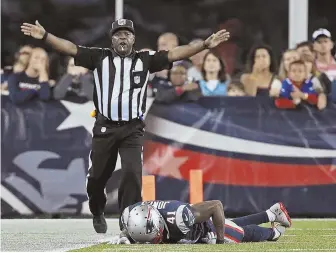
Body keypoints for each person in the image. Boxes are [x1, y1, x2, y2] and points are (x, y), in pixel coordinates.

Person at [21, 19, 230, 233]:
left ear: (134, 38)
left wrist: (204, 45)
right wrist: (46, 36)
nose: (122, 37)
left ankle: (127, 222)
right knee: (96, 178)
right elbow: (71, 48)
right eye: (118, 34)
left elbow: (176, 53)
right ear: (112, 39)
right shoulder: (99, 56)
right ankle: (97, 209)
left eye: (127, 34)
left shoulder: (145, 60)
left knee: (132, 173)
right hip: (105, 128)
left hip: (132, 128)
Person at [110, 200, 290, 244]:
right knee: (233, 224)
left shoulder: (180, 217)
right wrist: (124, 236)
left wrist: (219, 241)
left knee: (238, 234)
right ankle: (271, 213)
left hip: (202, 227)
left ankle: (274, 233)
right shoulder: (130, 216)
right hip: (184, 225)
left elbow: (216, 206)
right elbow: (130, 229)